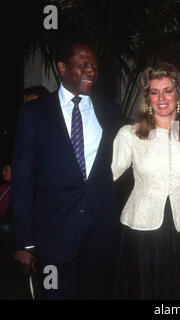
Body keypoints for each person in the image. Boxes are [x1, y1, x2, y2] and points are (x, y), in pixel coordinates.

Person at [12, 37, 122, 299]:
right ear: (62, 67)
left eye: (94, 66)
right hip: (53, 239)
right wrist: (25, 244)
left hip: (99, 238)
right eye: (83, 65)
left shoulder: (111, 112)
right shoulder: (34, 114)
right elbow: (23, 181)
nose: (91, 72)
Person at [111, 61, 180, 300]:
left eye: (168, 90)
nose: (161, 98)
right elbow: (104, 177)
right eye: (154, 92)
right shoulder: (129, 135)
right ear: (147, 97)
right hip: (141, 232)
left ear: (179, 95)